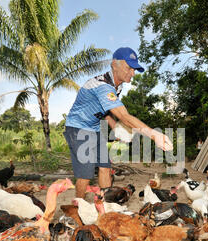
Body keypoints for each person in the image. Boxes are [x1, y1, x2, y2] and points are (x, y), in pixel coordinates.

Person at [64, 47, 173, 199]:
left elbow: (106, 111)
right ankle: (77, 208)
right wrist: (154, 135)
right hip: (77, 127)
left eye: (134, 69)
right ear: (114, 64)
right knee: (86, 172)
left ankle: (107, 204)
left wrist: (115, 128)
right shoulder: (103, 86)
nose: (133, 73)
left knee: (105, 167)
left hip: (94, 128)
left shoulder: (117, 86)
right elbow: (123, 116)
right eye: (129, 68)